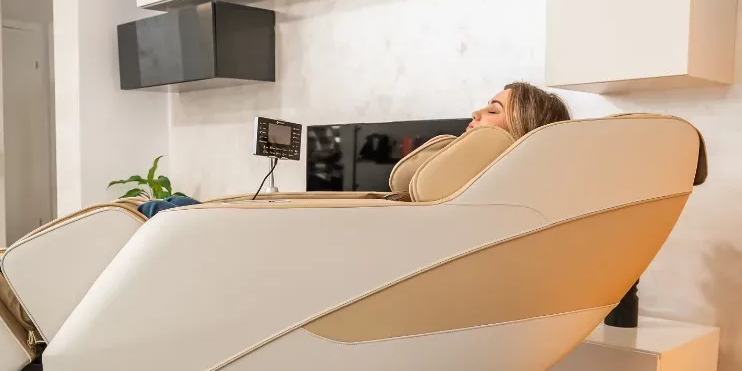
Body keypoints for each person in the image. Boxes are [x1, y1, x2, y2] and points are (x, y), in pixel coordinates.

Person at [138, 81, 571, 216]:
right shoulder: (461, 188)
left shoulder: (475, 196)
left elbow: (419, 185)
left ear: (522, 132)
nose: (475, 112)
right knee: (179, 207)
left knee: (166, 212)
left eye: (493, 110)